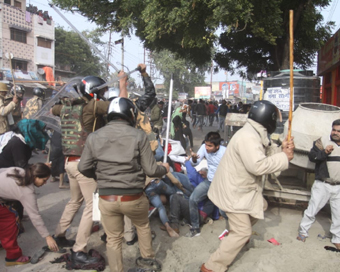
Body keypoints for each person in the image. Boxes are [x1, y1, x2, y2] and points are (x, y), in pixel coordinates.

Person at [200, 100, 294, 272]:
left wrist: (282, 150)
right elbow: (257, 166)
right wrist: (284, 158)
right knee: (243, 231)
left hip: (239, 188)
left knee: (259, 207)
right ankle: (211, 266)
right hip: (233, 191)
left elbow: (264, 153)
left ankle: (235, 239)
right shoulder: (249, 136)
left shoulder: (254, 132)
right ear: (268, 119)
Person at [78, 97, 169, 272]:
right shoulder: (139, 135)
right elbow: (151, 170)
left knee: (113, 238)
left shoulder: (94, 137)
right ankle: (147, 262)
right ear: (130, 114)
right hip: (133, 197)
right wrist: (164, 169)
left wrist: (99, 177)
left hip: (107, 197)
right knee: (142, 226)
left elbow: (83, 167)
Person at [52, 75, 110, 265]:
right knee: (91, 206)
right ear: (93, 92)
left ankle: (59, 235)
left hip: (69, 162)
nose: (103, 95)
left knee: (74, 200)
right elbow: (116, 107)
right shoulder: (93, 106)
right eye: (101, 92)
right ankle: (79, 249)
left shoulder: (67, 107)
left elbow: (54, 108)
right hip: (83, 164)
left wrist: (69, 100)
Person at [0, 163, 59, 266]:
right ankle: (13, 257)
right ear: (35, 176)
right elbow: (35, 216)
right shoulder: (26, 191)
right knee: (9, 222)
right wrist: (47, 236)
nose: (45, 183)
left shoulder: (18, 170)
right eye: (44, 180)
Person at [297, 119, 340, 249]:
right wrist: (324, 153)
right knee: (312, 210)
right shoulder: (322, 141)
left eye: (339, 131)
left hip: (338, 186)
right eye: (334, 130)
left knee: (339, 214)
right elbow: (312, 157)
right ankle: (303, 232)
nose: (335, 133)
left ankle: (337, 238)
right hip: (323, 184)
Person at [186, 132, 226, 237]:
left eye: (210, 146)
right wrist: (194, 158)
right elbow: (195, 162)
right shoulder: (204, 147)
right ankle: (195, 227)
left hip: (222, 183)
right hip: (209, 182)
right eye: (206, 144)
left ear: (217, 146)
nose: (207, 148)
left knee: (224, 210)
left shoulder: (225, 152)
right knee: (192, 199)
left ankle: (234, 231)